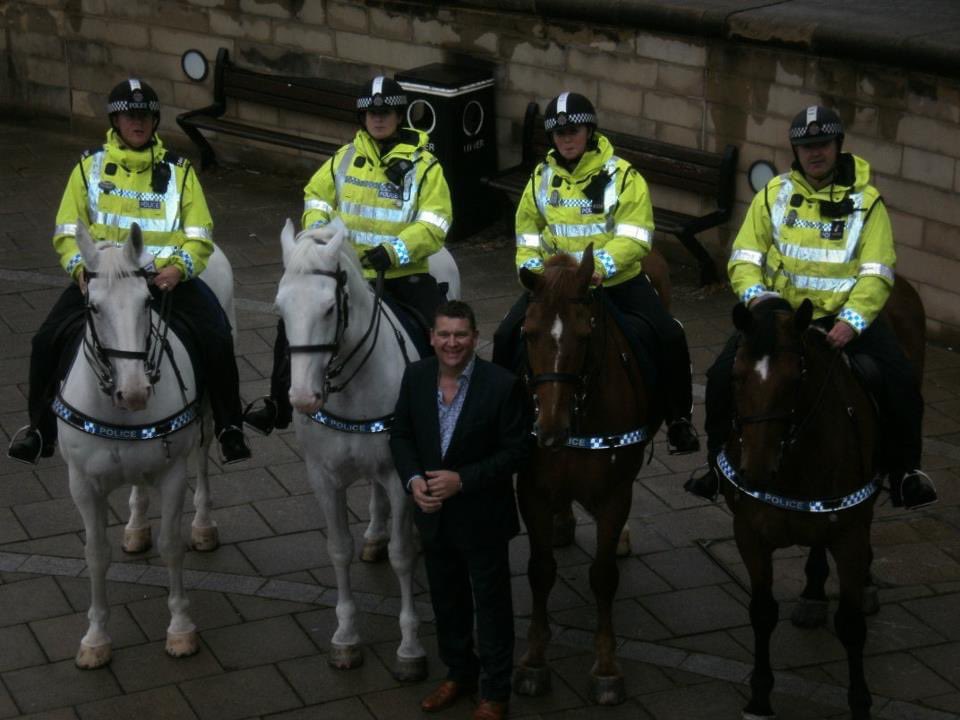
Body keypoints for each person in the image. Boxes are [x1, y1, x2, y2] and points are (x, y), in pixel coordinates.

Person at [686, 105, 937, 509]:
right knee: (720, 375)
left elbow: (876, 272)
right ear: (795, 151)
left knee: (901, 381)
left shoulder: (867, 202)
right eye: (806, 146)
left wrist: (852, 322)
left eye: (822, 144)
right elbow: (745, 256)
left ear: (838, 146)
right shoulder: (775, 194)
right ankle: (716, 466)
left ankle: (905, 472)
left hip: (845, 319)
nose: (815, 153)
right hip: (781, 316)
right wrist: (760, 300)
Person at [7, 79, 251, 465]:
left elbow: (200, 235)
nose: (137, 123)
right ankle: (39, 431)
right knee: (45, 341)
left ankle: (228, 427)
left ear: (154, 122)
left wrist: (178, 268)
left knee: (218, 336)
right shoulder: (89, 167)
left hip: (163, 280)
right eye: (128, 116)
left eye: (144, 116)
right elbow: (67, 231)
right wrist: (79, 270)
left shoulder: (180, 171)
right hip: (104, 279)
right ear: (115, 120)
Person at [492, 91, 699, 453]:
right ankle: (504, 417)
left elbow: (636, 234)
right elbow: (526, 231)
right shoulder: (541, 177)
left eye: (573, 131)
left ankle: (678, 420)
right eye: (558, 133)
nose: (566, 138)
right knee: (506, 334)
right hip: (555, 288)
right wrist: (532, 271)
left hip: (614, 282)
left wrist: (601, 267)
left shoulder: (622, 175)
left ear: (589, 130)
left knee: (668, 335)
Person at [244, 76, 452, 435]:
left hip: (401, 276)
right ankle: (278, 403)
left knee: (439, 333)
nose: (378, 118)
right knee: (291, 324)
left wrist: (393, 251)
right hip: (339, 274)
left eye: (385, 111)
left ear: (399, 115)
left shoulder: (425, 166)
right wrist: (318, 237)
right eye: (370, 112)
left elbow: (435, 223)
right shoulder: (342, 160)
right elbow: (316, 199)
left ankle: (444, 409)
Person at [390, 301, 526, 720]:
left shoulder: (502, 385)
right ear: (431, 337)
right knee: (447, 601)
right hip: (432, 515)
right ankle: (458, 673)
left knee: (491, 606)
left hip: (482, 518)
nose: (452, 343)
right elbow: (401, 435)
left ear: (475, 337)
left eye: (461, 335)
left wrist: (462, 480)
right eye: (444, 334)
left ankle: (495, 692)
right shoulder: (415, 377)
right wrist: (413, 480)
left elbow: (517, 451)